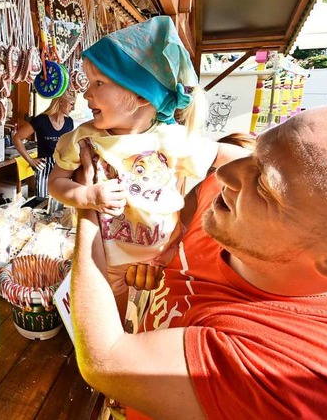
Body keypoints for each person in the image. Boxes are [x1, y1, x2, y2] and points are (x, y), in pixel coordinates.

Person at [71, 106, 327, 418]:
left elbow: (104, 361)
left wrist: (87, 205)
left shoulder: (292, 369)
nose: (226, 175)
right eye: (256, 153)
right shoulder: (222, 207)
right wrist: (157, 258)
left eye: (264, 186)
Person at [49, 16, 248, 320]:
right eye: (90, 84)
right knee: (108, 320)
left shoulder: (170, 139)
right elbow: (56, 182)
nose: (87, 94)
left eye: (99, 84)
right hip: (107, 258)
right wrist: (85, 197)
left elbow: (222, 154)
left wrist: (271, 162)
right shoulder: (83, 138)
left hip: (163, 257)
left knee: (152, 318)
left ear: (141, 94)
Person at [12, 90, 75, 197]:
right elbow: (17, 138)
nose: (73, 108)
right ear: (60, 101)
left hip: (62, 167)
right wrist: (30, 160)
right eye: (71, 104)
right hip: (44, 166)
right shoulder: (41, 120)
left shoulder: (69, 122)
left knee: (59, 202)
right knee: (42, 203)